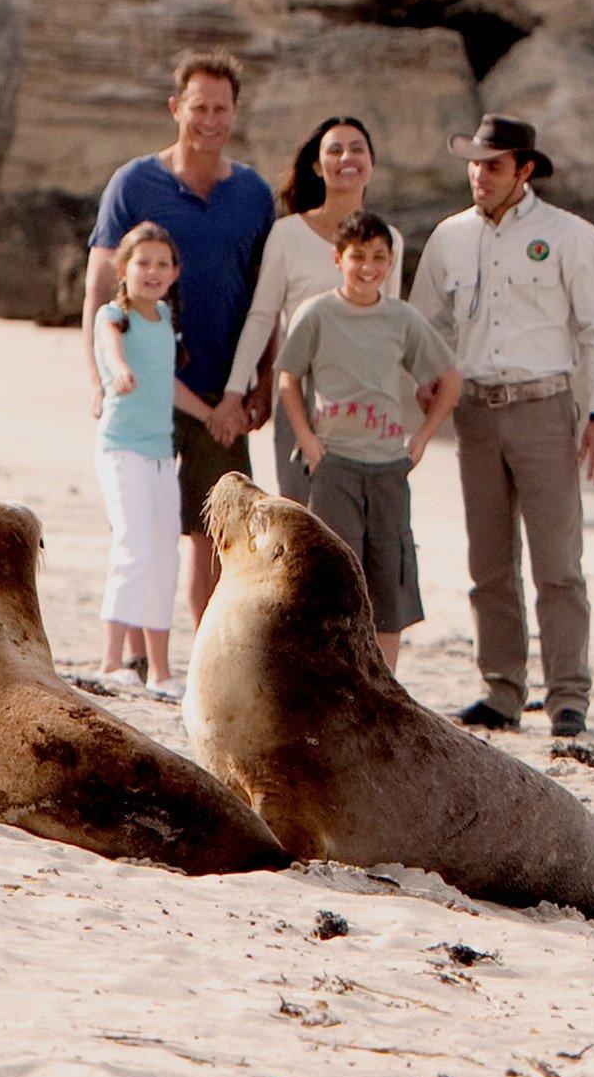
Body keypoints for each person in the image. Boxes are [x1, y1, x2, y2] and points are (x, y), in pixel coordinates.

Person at [410, 113, 594, 741]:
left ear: (524, 171)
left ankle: (567, 697)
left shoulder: (570, 236)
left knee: (558, 562)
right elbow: (425, 322)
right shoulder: (449, 238)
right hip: (474, 413)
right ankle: (501, 691)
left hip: (544, 409)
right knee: (489, 563)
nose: (479, 175)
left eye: (493, 165)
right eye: (474, 163)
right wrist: (427, 380)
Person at [83, 52, 277, 631]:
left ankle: (204, 655)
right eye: (199, 107)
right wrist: (98, 380)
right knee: (145, 526)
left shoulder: (254, 195)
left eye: (221, 108)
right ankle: (137, 651)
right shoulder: (134, 182)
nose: (210, 120)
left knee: (214, 534)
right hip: (142, 389)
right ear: (176, 108)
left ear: (235, 113)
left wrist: (257, 388)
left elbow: (267, 303)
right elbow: (97, 292)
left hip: (223, 393)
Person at [275, 213, 460, 669]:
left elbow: (450, 379)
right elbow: (288, 379)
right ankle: (335, 677)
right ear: (338, 259)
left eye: (379, 257)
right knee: (336, 576)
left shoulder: (401, 318)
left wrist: (420, 440)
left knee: (388, 575)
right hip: (333, 464)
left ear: (391, 263)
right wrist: (308, 441)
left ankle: (384, 682)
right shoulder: (316, 313)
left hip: (388, 468)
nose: (368, 267)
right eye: (358, 256)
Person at [228, 114, 401, 506]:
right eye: (334, 150)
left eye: (357, 149)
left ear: (371, 164)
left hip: (364, 403)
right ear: (316, 166)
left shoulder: (391, 241)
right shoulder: (288, 234)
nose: (346, 158)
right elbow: (263, 316)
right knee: (301, 518)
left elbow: (390, 325)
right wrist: (235, 391)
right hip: (298, 397)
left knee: (357, 525)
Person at [88, 222, 218, 697]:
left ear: (175, 272)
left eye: (163, 264)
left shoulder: (164, 316)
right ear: (123, 268)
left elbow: (170, 384)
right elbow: (111, 349)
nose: (153, 271)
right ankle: (111, 661)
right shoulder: (113, 316)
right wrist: (118, 372)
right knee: (133, 545)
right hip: (122, 449)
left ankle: (161, 673)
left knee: (165, 553)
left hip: (162, 456)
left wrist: (209, 415)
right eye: (143, 262)